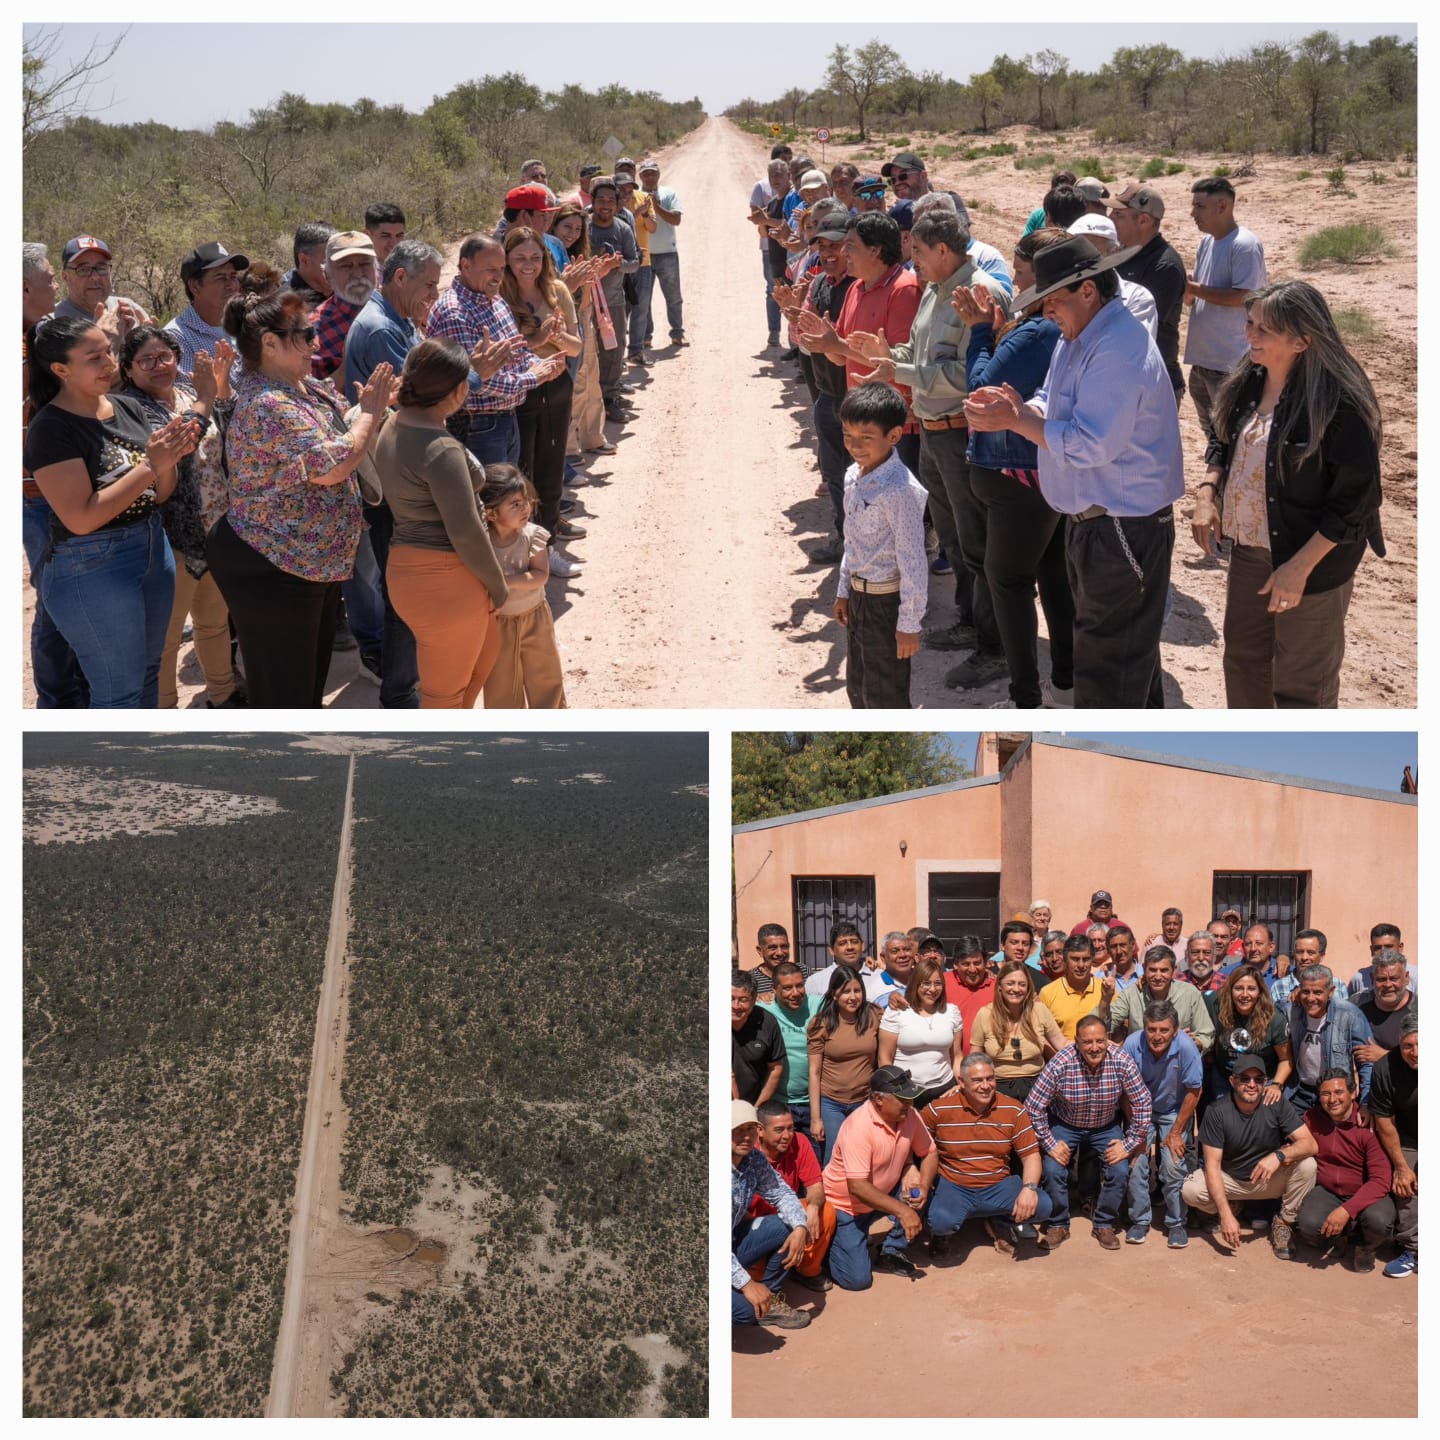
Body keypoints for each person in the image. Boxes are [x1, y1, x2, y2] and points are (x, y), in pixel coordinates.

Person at [965, 234, 1183, 707]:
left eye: (1051, 301)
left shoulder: (1116, 347)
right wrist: (1022, 407)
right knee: (1126, 661)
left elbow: (1089, 443)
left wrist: (1017, 420)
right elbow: (1054, 395)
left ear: (1088, 291)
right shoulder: (1084, 335)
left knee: (1108, 671)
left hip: (1121, 526)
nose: (1045, 313)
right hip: (1105, 524)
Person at [1192, 281, 1385, 709]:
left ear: (1302, 340)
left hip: (1312, 563)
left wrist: (1298, 569)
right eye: (1250, 323)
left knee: (1302, 689)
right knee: (1243, 663)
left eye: (1264, 330)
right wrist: (1208, 491)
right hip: (1251, 553)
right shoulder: (1249, 377)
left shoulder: (1340, 404)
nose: (1250, 335)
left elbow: (1356, 503)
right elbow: (1222, 439)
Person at [848, 208, 1011, 694]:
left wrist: (898, 373)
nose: (910, 258)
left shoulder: (981, 294)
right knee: (954, 537)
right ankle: (970, 621)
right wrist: (886, 358)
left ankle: (994, 647)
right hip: (934, 429)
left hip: (964, 432)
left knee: (979, 543)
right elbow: (919, 355)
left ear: (943, 249)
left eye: (916, 250)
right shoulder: (936, 291)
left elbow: (970, 376)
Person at [207, 291, 392, 707]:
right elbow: (333, 465)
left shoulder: (303, 388)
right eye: (305, 335)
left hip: (308, 563)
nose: (317, 344)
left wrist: (373, 409)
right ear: (269, 343)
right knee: (284, 696)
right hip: (273, 566)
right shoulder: (268, 403)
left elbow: (347, 432)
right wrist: (370, 414)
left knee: (304, 689)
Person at [23, 315, 195, 707]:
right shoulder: (51, 428)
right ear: (61, 370)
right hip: (91, 564)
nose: (109, 365)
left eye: (109, 352)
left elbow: (160, 495)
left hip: (151, 547)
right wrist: (150, 466)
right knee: (120, 691)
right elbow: (81, 518)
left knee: (149, 672)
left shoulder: (125, 408)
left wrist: (167, 463)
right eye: (94, 358)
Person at [950, 227, 1072, 707]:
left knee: (1010, 583)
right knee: (1052, 580)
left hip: (1016, 477)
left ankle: (1027, 699)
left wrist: (981, 331)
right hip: (1034, 473)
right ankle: (1063, 680)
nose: (1016, 283)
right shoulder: (1045, 326)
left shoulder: (1040, 330)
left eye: (1022, 275)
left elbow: (980, 384)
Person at [370, 337, 511, 709]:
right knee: (443, 699)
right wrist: (499, 586)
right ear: (460, 390)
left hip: (409, 570)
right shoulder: (441, 449)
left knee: (481, 659)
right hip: (446, 580)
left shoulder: (393, 423)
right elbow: (466, 532)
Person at [342, 238, 445, 709]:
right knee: (403, 585)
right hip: (392, 479)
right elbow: (413, 398)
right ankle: (401, 692)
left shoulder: (397, 318)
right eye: (428, 285)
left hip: (394, 471)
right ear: (399, 277)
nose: (434, 295)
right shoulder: (382, 329)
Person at [116, 326, 240, 709]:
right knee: (167, 638)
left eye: (165, 357)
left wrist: (218, 390)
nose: (158, 367)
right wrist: (205, 399)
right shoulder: (129, 409)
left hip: (214, 530)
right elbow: (179, 445)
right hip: (169, 541)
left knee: (215, 623)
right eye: (146, 361)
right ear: (129, 369)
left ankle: (223, 696)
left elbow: (225, 432)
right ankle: (165, 709)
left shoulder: (187, 394)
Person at [426, 233, 566, 470]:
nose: (499, 276)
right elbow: (478, 381)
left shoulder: (495, 300)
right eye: (491, 269)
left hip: (504, 417)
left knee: (504, 495)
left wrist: (539, 364)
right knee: (489, 497)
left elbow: (516, 350)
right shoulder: (456, 312)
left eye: (502, 269)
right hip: (477, 424)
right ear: (466, 265)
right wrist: (534, 377)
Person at [831, 382, 927, 709]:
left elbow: (913, 561)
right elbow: (853, 540)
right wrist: (845, 588)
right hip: (859, 600)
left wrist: (909, 625)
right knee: (858, 689)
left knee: (886, 697)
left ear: (895, 435)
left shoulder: (901, 490)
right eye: (847, 435)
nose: (855, 446)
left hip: (886, 606)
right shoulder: (852, 477)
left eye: (866, 438)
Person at [1025, 1014, 1152, 1249]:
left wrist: (1130, 1143)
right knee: (1052, 1169)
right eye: (1087, 1042)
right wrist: (1050, 1142)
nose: (1095, 1048)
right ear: (1076, 1042)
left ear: (1107, 1039)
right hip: (1065, 1123)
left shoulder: (1121, 1059)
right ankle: (1058, 1223)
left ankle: (1104, 1222)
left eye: (1100, 1041)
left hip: (1105, 1124)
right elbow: (1033, 1105)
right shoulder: (1062, 1061)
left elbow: (1143, 1102)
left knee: (1120, 1169)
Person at [1182, 1051, 1317, 1259]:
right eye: (1244, 1079)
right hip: (1232, 1180)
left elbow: (1310, 1144)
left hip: (1268, 1180)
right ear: (1232, 1081)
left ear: (1265, 1082)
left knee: (1308, 1165)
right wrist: (1225, 1216)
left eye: (1258, 1079)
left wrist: (1278, 1156)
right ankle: (1231, 1207)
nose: (1252, 1084)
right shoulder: (1217, 1111)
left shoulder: (1276, 1103)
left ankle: (1284, 1222)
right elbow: (1212, 1167)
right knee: (1190, 1189)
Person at [500, 228, 582, 561]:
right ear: (506, 260)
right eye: (520, 258)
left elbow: (575, 348)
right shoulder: (500, 298)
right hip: (520, 393)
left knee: (550, 474)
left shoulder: (557, 291)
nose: (528, 265)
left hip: (557, 388)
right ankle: (522, 552)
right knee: (522, 476)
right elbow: (502, 354)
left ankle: (548, 552)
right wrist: (537, 341)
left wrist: (557, 337)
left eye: (535, 257)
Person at [920, 1051, 1051, 1257]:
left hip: (998, 1185)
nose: (985, 1085)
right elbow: (915, 1140)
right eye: (977, 1080)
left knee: (1042, 1206)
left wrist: (1029, 1188)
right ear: (961, 1082)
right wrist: (914, 1172)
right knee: (940, 1222)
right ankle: (943, 1233)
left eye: (990, 1078)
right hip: (955, 1185)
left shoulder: (1013, 1110)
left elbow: (1030, 1155)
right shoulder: (938, 1110)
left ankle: (1000, 1221)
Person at [822, 1065, 937, 1285]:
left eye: (910, 1098)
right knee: (856, 1281)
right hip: (846, 1207)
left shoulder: (909, 1115)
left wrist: (921, 1183)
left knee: (920, 1193)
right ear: (879, 1100)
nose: (909, 1104)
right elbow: (858, 1187)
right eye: (902, 1099)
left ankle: (891, 1251)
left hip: (882, 1193)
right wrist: (902, 1211)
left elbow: (930, 1153)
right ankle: (829, 1250)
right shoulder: (858, 1127)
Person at [1183, 177, 1267, 446]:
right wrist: (1188, 291)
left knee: (1234, 436)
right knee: (1213, 436)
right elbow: (1197, 296)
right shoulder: (1206, 243)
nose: (1193, 213)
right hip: (1203, 361)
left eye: (1199, 206)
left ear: (1222, 206)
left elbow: (1245, 297)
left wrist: (1193, 288)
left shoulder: (1244, 245)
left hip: (1230, 363)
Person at [795, 216, 857, 564]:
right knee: (834, 473)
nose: (827, 253)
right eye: (822, 246)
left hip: (855, 396)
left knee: (861, 473)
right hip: (827, 396)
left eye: (834, 246)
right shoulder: (819, 283)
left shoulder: (859, 285)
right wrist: (800, 321)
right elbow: (804, 337)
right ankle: (844, 537)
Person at [1122, 1000, 1204, 1246]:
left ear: (1175, 1030)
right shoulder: (1132, 1044)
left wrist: (1177, 1132)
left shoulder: (1187, 1048)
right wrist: (1136, 1131)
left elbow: (1194, 1090)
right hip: (1140, 1109)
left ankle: (1176, 1222)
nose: (1157, 1036)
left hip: (1173, 1110)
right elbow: (1125, 1091)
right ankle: (1139, 1219)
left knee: (1172, 1163)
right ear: (1144, 1027)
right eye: (1152, 1029)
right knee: (1136, 1161)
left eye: (1164, 1030)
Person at [1297, 1068, 1395, 1270]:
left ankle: (1365, 1246)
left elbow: (1381, 1180)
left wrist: (1345, 1211)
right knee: (1308, 1225)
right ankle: (1338, 1237)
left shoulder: (1368, 1125)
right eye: (1325, 1094)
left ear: (1353, 1093)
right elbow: (1296, 1145)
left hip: (1365, 1191)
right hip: (1328, 1190)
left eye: (1338, 1092)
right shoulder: (1312, 1118)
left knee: (1380, 1221)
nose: (1332, 1099)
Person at [730, 1100, 812, 1330]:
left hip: (734, 1241)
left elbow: (782, 1193)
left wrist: (799, 1227)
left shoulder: (753, 1160)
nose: (745, 1137)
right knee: (747, 1313)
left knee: (786, 1226)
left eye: (749, 1129)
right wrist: (746, 1284)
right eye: (737, 1130)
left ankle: (769, 1297)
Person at [1111, 183, 1186, 403]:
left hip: (1153, 385)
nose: (1110, 218)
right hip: (1127, 376)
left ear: (1143, 220)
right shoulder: (1124, 253)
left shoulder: (1164, 266)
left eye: (1118, 214)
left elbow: (1134, 328)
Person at [749, 1100, 834, 1292]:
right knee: (756, 1280)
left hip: (788, 1214)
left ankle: (806, 1269)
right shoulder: (747, 1152)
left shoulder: (800, 1142)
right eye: (779, 1130)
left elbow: (815, 1186)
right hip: (755, 1223)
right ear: (760, 1130)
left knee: (825, 1211)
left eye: (790, 1128)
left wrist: (812, 1209)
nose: (787, 1136)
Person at [806, 964, 881, 1164]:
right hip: (831, 1103)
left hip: (864, 1101)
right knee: (835, 1157)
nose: (852, 996)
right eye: (846, 991)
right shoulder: (820, 1023)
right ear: (834, 994)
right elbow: (814, 1071)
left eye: (857, 990)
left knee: (863, 1156)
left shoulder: (874, 1015)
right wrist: (816, 1119)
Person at [971, 960, 1066, 1104]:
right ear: (1000, 987)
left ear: (1028, 988)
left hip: (1037, 1085)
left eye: (1022, 984)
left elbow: (1062, 1044)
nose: (1016, 989)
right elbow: (975, 1056)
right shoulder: (985, 1014)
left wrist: (1093, 1043)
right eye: (1010, 983)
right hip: (998, 1087)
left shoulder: (1039, 1010)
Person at [586, 178, 641, 424]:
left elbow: (635, 263)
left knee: (614, 352)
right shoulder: (583, 229)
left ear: (618, 204)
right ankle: (588, 403)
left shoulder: (623, 229)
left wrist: (618, 263)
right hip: (585, 304)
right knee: (588, 353)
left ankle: (609, 399)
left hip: (614, 303)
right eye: (601, 200)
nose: (605, 205)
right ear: (593, 203)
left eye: (610, 200)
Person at [1287, 964, 1375, 1113]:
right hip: (1299, 1093)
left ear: (1331, 991)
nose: (1311, 998)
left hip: (1336, 1097)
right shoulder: (1290, 1010)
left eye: (1318, 992)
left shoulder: (1350, 1015)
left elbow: (1366, 1063)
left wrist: (1366, 1103)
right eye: (1306, 991)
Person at [878, 958, 965, 1108]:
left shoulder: (952, 1012)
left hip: (944, 1089)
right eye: (926, 983)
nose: (932, 989)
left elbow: (957, 1055)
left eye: (937, 983)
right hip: (906, 1091)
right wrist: (895, 1090)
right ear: (915, 983)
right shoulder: (897, 1012)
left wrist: (962, 1085)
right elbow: (884, 1058)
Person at [1369, 1017, 1417, 1278]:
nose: (1415, 1053)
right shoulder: (1386, 1067)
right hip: (1408, 1138)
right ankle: (1414, 1249)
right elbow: (1384, 1120)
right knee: (1408, 1184)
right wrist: (1400, 1166)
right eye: (1408, 1045)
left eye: (1422, 1044)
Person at [1206, 962, 1294, 1104]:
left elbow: (1286, 1060)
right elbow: (1194, 1002)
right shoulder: (1215, 1005)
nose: (1245, 994)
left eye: (1251, 989)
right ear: (1229, 990)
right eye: (1238, 988)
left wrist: (1276, 1085)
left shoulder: (1274, 1019)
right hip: (1225, 1079)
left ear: (1260, 992)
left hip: (1261, 1082)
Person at [759, 961, 823, 1150]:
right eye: (787, 988)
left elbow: (852, 1002)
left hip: (815, 1104)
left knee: (815, 1164)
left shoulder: (817, 1004)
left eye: (799, 985)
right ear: (773, 989)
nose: (795, 993)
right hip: (779, 1106)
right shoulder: (763, 1009)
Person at [164, 242, 249, 381]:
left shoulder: (246, 324)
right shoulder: (177, 338)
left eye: (233, 276)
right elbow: (188, 394)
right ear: (195, 286)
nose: (231, 286)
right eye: (221, 277)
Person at [1108, 946, 1216, 1054]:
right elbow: (1106, 1023)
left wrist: (1196, 1042)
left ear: (1174, 970)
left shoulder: (1190, 993)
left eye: (1164, 970)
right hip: (1141, 1062)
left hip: (1179, 1061)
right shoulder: (1132, 993)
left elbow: (1206, 1033)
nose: (1158, 977)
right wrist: (1105, 999)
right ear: (1144, 968)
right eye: (1153, 970)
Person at [52, 235, 151, 343]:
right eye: (84, 269)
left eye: (101, 268)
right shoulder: (53, 323)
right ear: (65, 277)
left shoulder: (130, 309)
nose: (95, 277)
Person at [310, 232, 378, 383]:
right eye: (346, 266)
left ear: (376, 269)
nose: (358, 274)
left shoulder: (394, 307)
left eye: (365, 264)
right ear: (327, 275)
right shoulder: (315, 329)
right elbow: (314, 396)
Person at [636, 159, 684, 348]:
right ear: (640, 176)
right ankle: (646, 336)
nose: (649, 177)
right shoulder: (635, 195)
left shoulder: (669, 193)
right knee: (643, 299)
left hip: (667, 252)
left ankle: (677, 333)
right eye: (646, 173)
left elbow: (676, 220)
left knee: (673, 296)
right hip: (643, 254)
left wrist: (656, 206)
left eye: (652, 173)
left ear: (658, 175)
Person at [1039, 934, 1112, 1042]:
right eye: (1075, 959)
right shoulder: (1047, 993)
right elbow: (1042, 1037)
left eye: (1086, 959)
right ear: (1065, 959)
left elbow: (1116, 1031)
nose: (1081, 965)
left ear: (1092, 959)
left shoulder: (1107, 990)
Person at [732, 969, 786, 1107]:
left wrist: (757, 1109)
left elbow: (775, 1069)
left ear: (754, 999)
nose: (736, 1006)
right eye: (731, 998)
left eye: (743, 1000)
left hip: (753, 1105)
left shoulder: (767, 1022)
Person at [1350, 950, 1417, 1055]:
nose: (1387, 985)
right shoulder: (1355, 1005)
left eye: (1394, 979)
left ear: (1406, 978)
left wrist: (1385, 1057)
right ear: (1372, 979)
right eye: (1381, 979)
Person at [882, 151, 970, 224]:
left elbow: (961, 231)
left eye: (903, 176)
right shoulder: (897, 213)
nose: (897, 183)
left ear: (923, 176)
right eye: (893, 180)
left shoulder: (948, 200)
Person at [943, 935, 997, 1052]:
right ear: (956, 964)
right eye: (966, 964)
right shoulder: (940, 983)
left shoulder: (999, 986)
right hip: (950, 1065)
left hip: (988, 1065)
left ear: (986, 963)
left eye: (977, 963)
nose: (972, 970)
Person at [1349, 923, 1417, 998]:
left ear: (1400, 947)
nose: (1383, 951)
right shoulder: (1359, 979)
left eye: (1388, 946)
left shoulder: (1417, 976)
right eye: (1377, 948)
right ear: (1371, 950)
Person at [805, 920, 869, 996]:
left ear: (863, 946)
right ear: (831, 950)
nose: (850, 947)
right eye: (842, 943)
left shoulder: (879, 977)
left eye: (854, 942)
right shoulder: (816, 983)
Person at [283, 221, 336, 312]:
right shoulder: (285, 306)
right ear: (304, 260)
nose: (338, 267)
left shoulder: (346, 293)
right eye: (329, 260)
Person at [750, 923, 791, 998]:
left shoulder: (803, 972)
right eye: (773, 948)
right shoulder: (750, 980)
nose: (780, 953)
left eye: (784, 946)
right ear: (760, 951)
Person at [1103, 925, 1143, 991]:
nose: (1119, 951)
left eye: (1123, 945)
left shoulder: (1145, 974)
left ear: (1133, 945)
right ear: (1108, 950)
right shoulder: (1101, 977)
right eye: (1113, 947)